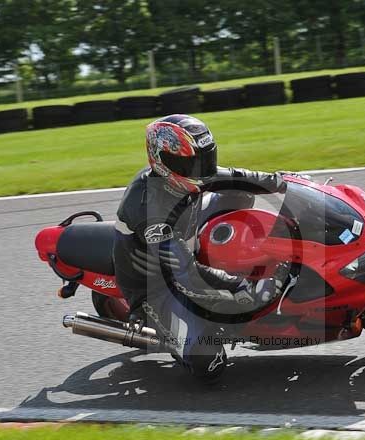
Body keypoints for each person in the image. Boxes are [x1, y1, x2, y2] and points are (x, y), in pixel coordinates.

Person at [113, 114, 290, 381]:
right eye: (191, 163)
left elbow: (235, 176)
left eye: (205, 159)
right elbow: (186, 276)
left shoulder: (187, 174)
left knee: (240, 191)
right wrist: (248, 288)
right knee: (209, 362)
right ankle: (173, 335)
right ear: (161, 160)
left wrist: (285, 182)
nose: (202, 169)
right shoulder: (147, 209)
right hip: (156, 284)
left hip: (184, 234)